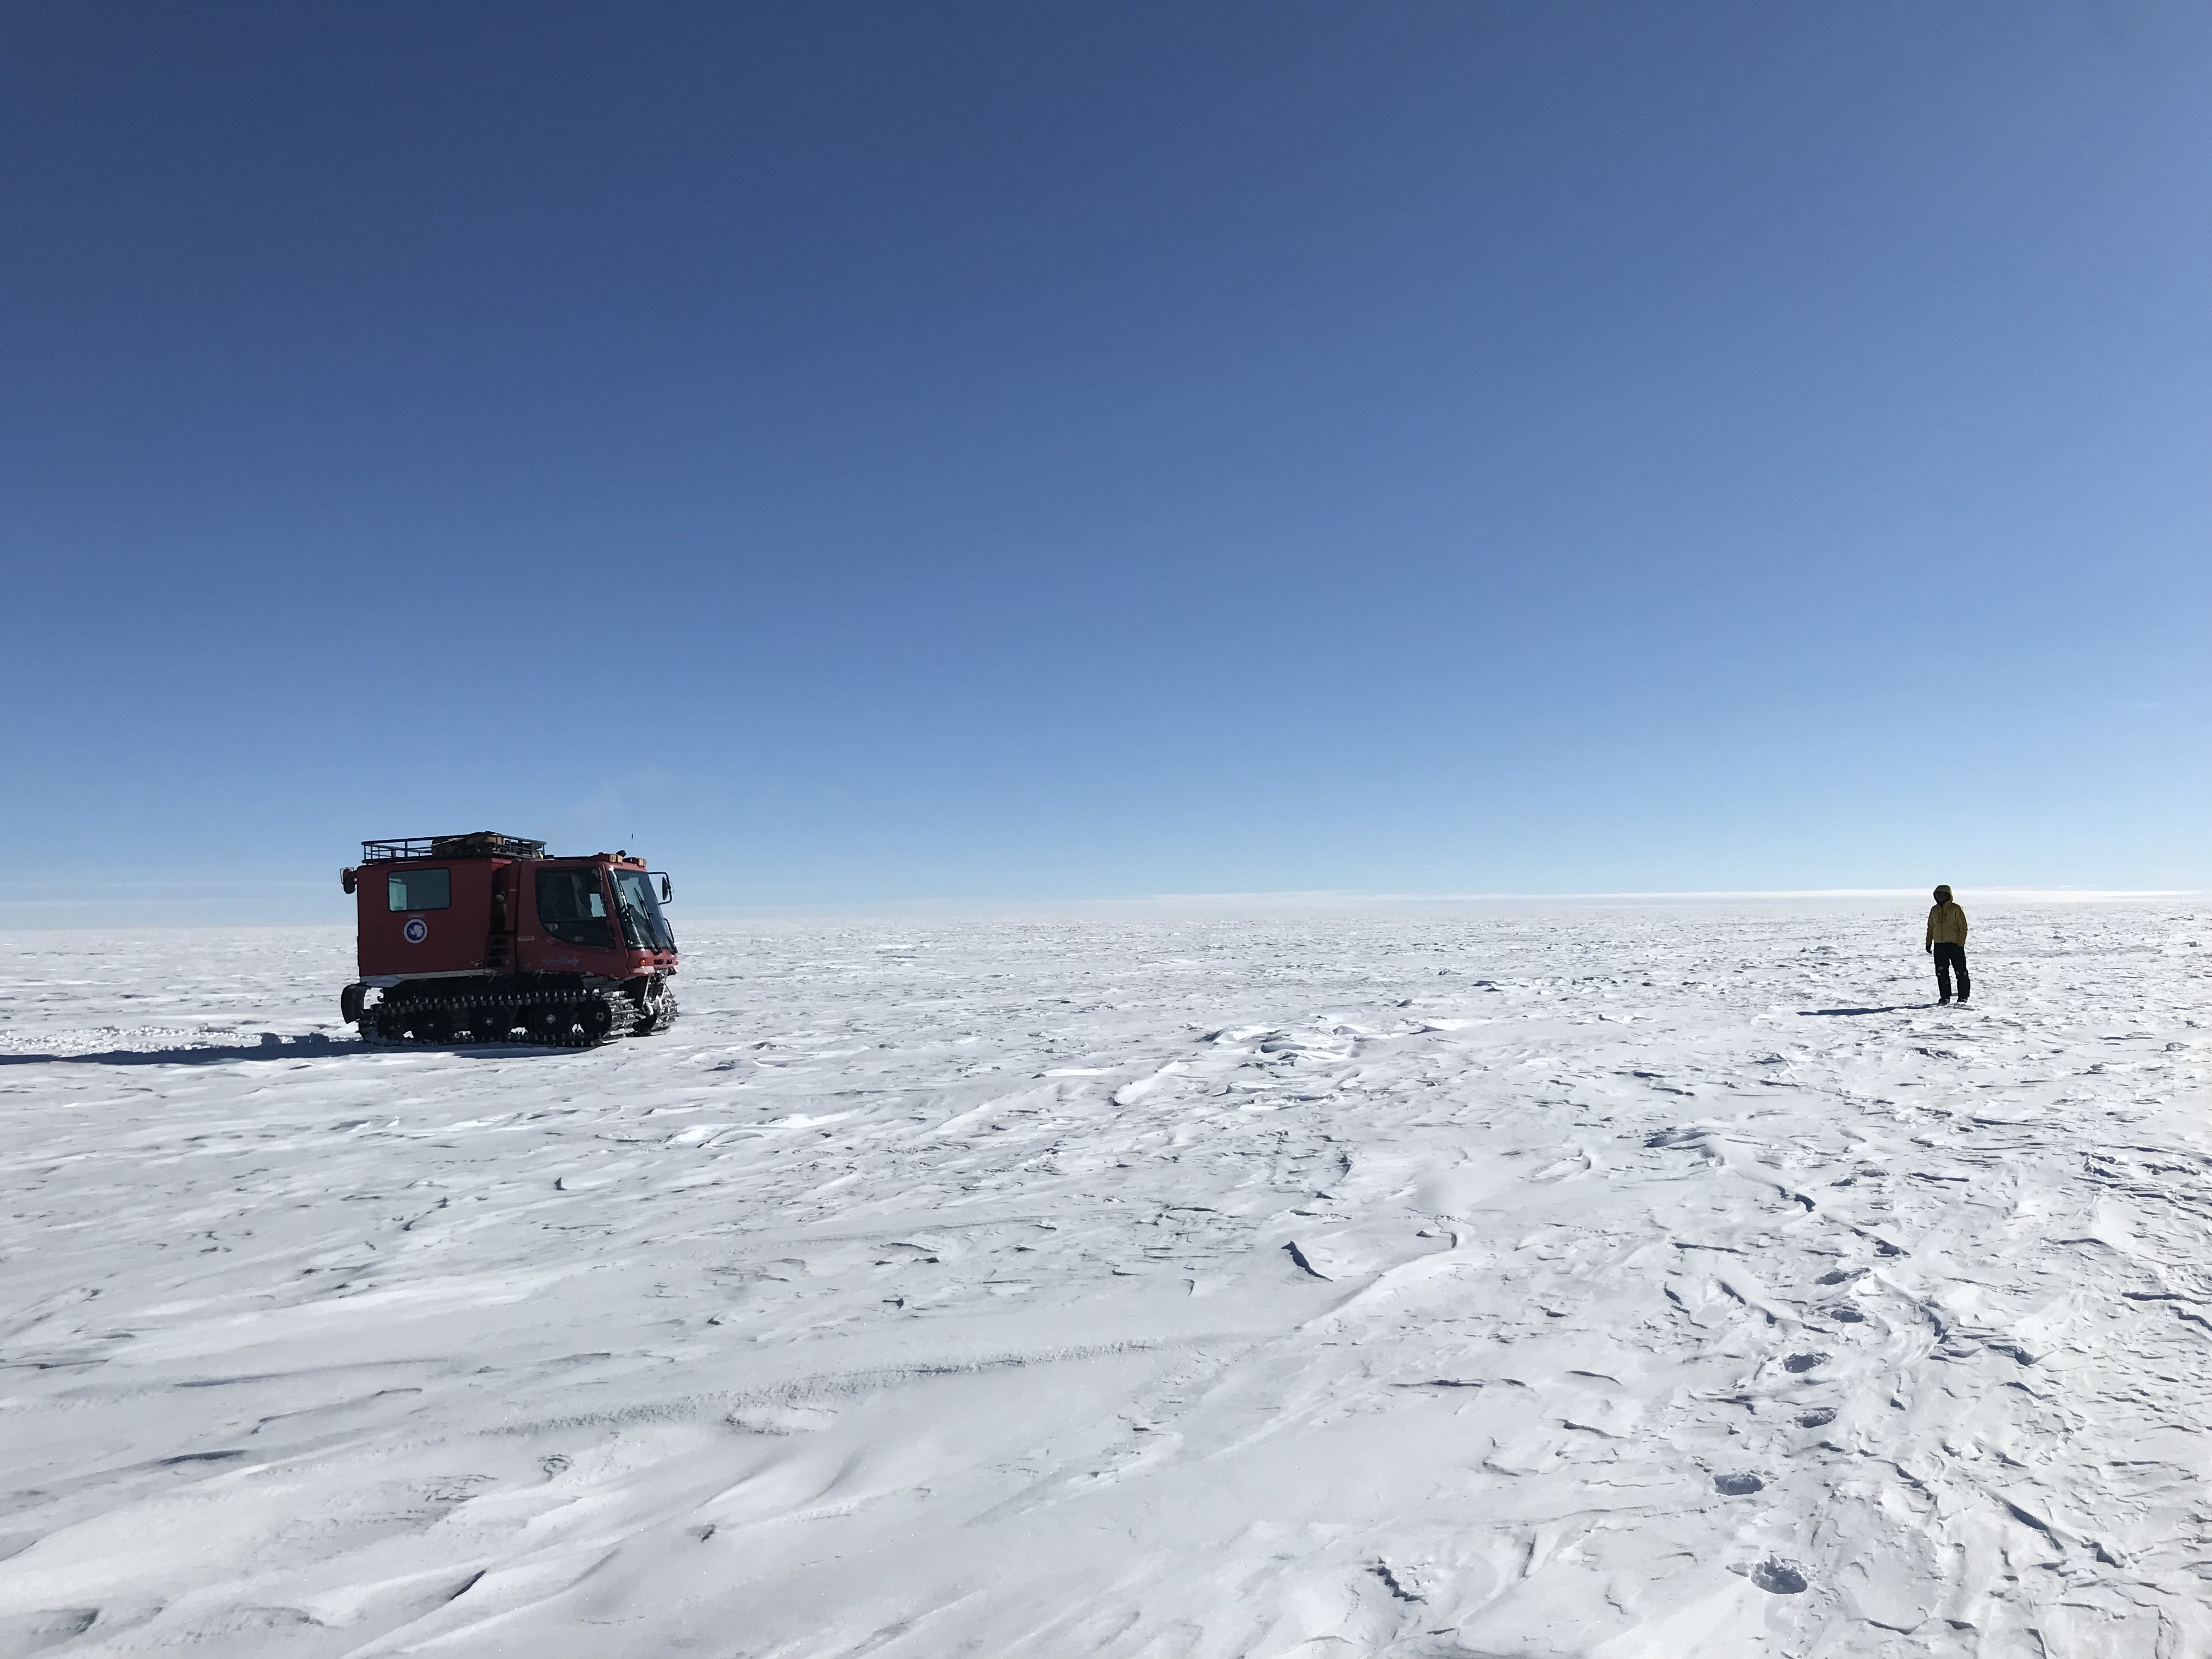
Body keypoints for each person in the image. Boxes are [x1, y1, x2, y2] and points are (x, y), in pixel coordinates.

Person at [1925, 885, 1970, 1005]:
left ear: (1949, 895)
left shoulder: (1956, 909)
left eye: (1942, 894)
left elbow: (1963, 927)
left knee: (1961, 972)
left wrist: (1960, 944)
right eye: (1937, 894)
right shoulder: (1934, 910)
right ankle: (1945, 997)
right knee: (1941, 972)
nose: (1939, 896)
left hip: (1955, 945)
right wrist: (1929, 942)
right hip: (1939, 946)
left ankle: (1963, 997)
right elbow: (1931, 927)